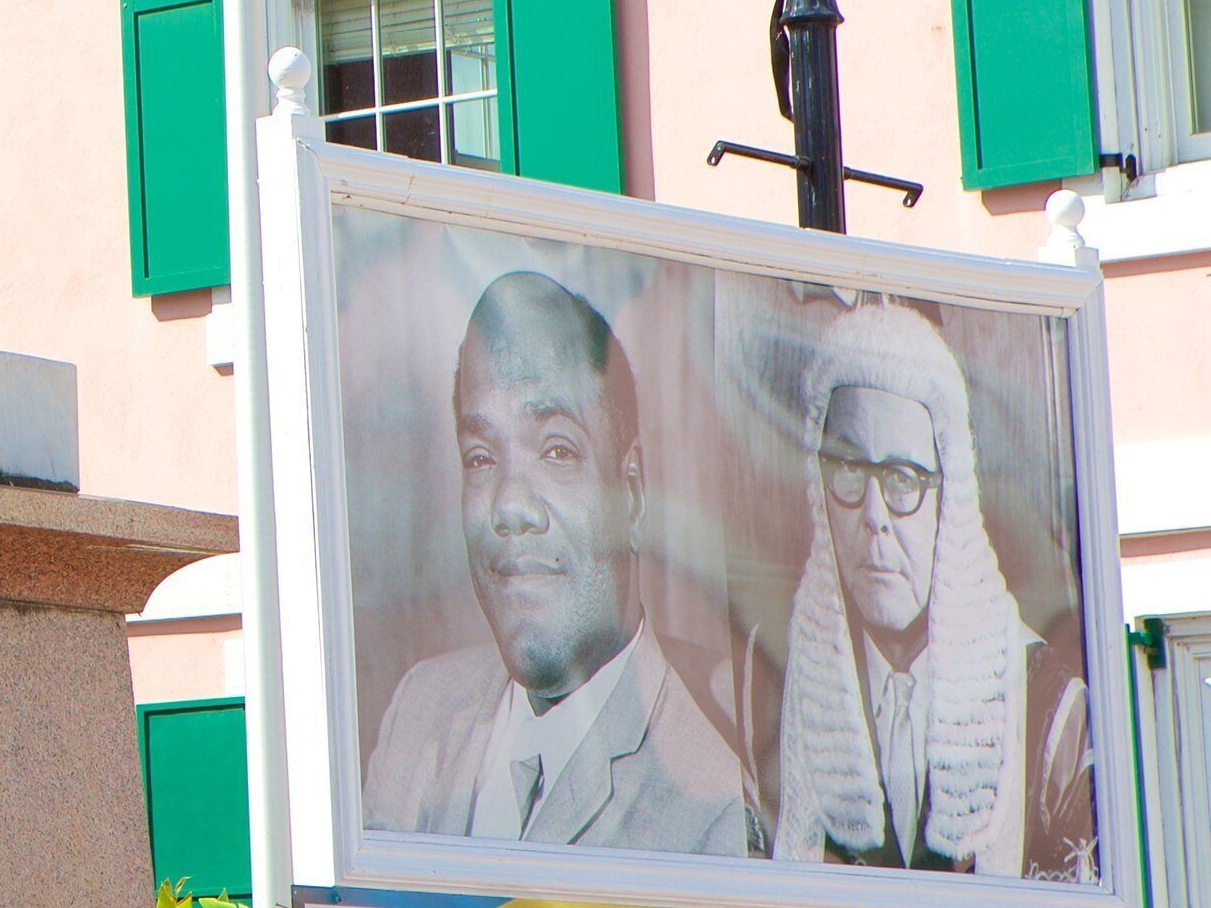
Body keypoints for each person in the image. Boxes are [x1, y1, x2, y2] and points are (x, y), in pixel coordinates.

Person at [359, 271, 754, 854]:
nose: (510, 506)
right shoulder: (419, 711)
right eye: (480, 456)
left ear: (633, 497)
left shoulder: (715, 795)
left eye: (556, 450)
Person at [772, 303, 1096, 876]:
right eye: (847, 468)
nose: (874, 515)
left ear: (951, 500)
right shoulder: (766, 686)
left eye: (902, 478)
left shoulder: (1051, 712)